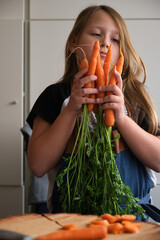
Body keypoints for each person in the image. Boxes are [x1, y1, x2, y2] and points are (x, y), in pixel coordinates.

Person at [26, 5, 160, 221]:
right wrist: (71, 110)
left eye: (115, 40)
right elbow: (38, 165)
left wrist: (121, 119)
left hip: (132, 224)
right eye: (97, 34)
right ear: (74, 43)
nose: (105, 42)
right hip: (72, 222)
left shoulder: (134, 99)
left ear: (121, 52)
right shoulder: (55, 96)